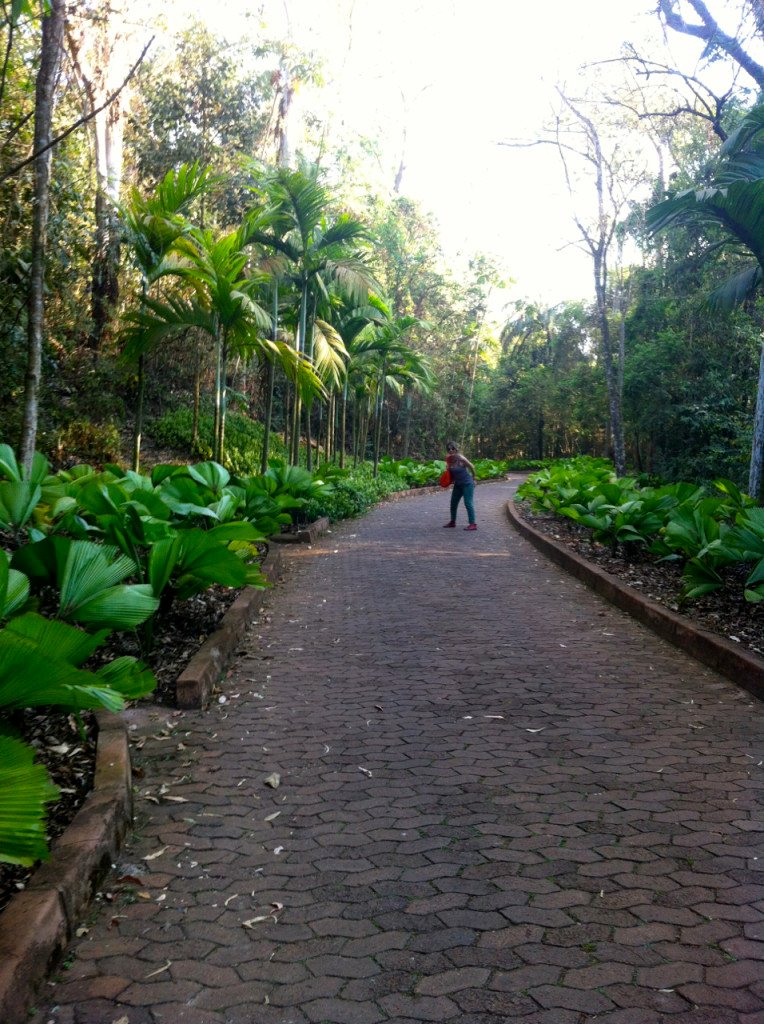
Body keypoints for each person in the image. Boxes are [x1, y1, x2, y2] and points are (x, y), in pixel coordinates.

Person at [443, 440, 477, 530]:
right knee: (453, 503)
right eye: (449, 449)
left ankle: (473, 524)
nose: (450, 450)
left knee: (468, 503)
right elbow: (451, 473)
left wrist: (474, 478)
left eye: (452, 448)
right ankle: (452, 522)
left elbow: (472, 467)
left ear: (456, 449)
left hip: (467, 484)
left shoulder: (461, 458)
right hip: (458, 485)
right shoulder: (449, 460)